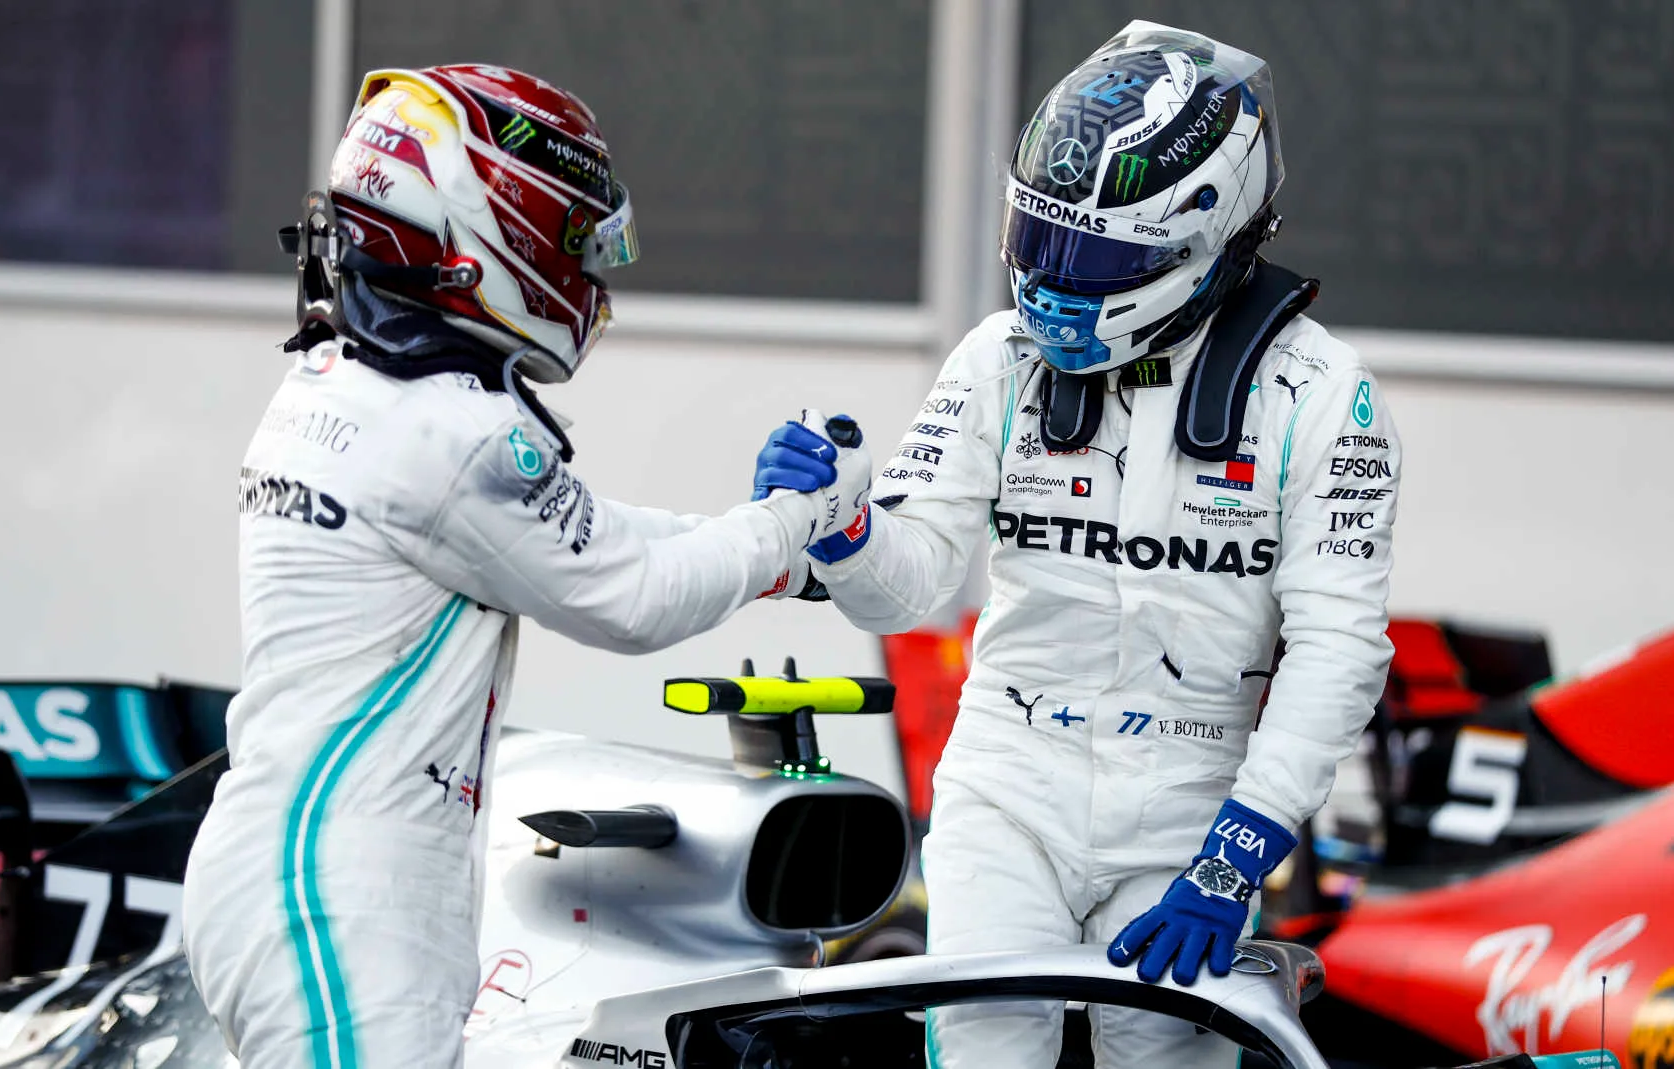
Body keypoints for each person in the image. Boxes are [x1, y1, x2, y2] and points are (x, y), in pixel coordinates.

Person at [180, 64, 868, 1069]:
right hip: (344, 891)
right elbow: (630, 598)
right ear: (484, 230)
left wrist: (773, 555)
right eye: (578, 243)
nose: (592, 278)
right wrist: (790, 519)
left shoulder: (347, 378)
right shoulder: (451, 431)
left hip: (297, 870)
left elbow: (580, 537)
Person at [776, 21, 1399, 1068]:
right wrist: (844, 530)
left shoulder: (1326, 395)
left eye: (1102, 258)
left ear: (1211, 235)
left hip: (1192, 804)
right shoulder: (996, 357)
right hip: (1004, 781)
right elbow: (914, 579)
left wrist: (1235, 857)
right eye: (1039, 244)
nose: (1056, 285)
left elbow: (1341, 650)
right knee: (984, 1051)